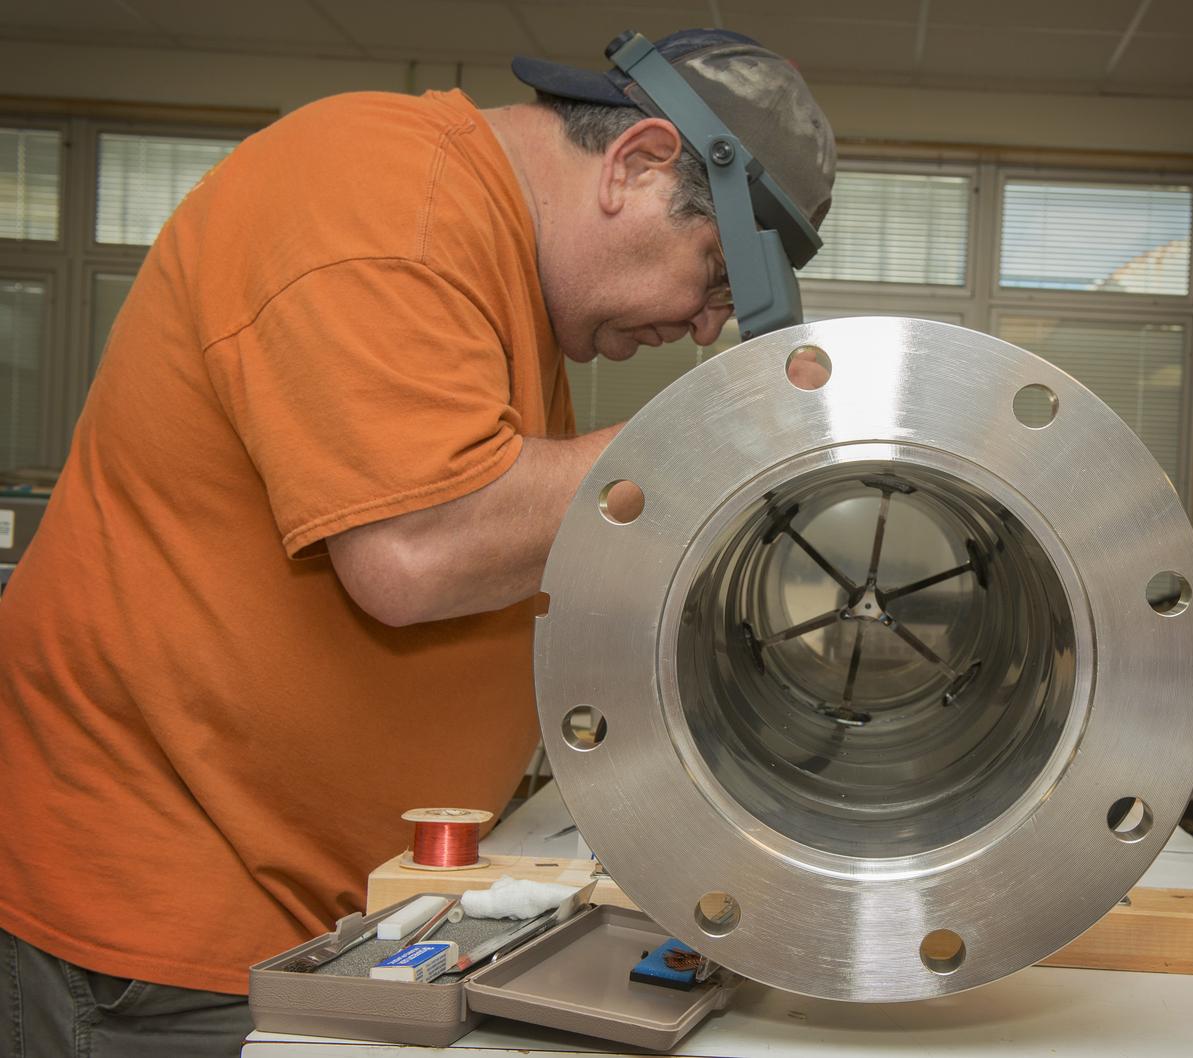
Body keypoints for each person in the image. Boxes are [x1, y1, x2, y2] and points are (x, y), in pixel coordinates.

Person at [0, 27, 835, 1057]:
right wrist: (709, 433)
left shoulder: (497, 274)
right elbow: (419, 548)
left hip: (334, 913)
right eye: (711, 271)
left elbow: (516, 537)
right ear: (636, 163)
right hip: (156, 933)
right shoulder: (384, 196)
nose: (705, 327)